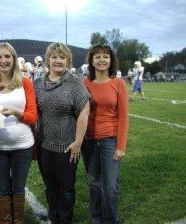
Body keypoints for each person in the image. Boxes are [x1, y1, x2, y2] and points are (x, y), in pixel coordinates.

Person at [33, 42, 91, 223]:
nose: (58, 60)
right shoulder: (37, 84)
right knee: (50, 187)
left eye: (62, 57)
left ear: (68, 61)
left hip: (67, 145)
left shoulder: (75, 83)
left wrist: (78, 142)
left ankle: (65, 219)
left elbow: (84, 112)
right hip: (43, 144)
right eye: (54, 56)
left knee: (66, 188)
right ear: (48, 60)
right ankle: (53, 215)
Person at [0, 42, 37, 224]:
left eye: (7, 56)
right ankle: (5, 221)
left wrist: (16, 112)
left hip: (23, 146)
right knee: (3, 189)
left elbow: (33, 117)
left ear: (14, 59)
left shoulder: (25, 83)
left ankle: (18, 220)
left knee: (19, 188)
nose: (3, 61)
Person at [82, 45, 129, 224]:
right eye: (97, 57)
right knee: (94, 183)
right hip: (89, 141)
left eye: (105, 57)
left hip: (110, 140)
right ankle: (96, 219)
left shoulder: (118, 83)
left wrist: (121, 146)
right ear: (91, 61)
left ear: (111, 60)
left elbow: (123, 116)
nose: (102, 60)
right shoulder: (84, 83)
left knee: (110, 187)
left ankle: (111, 220)